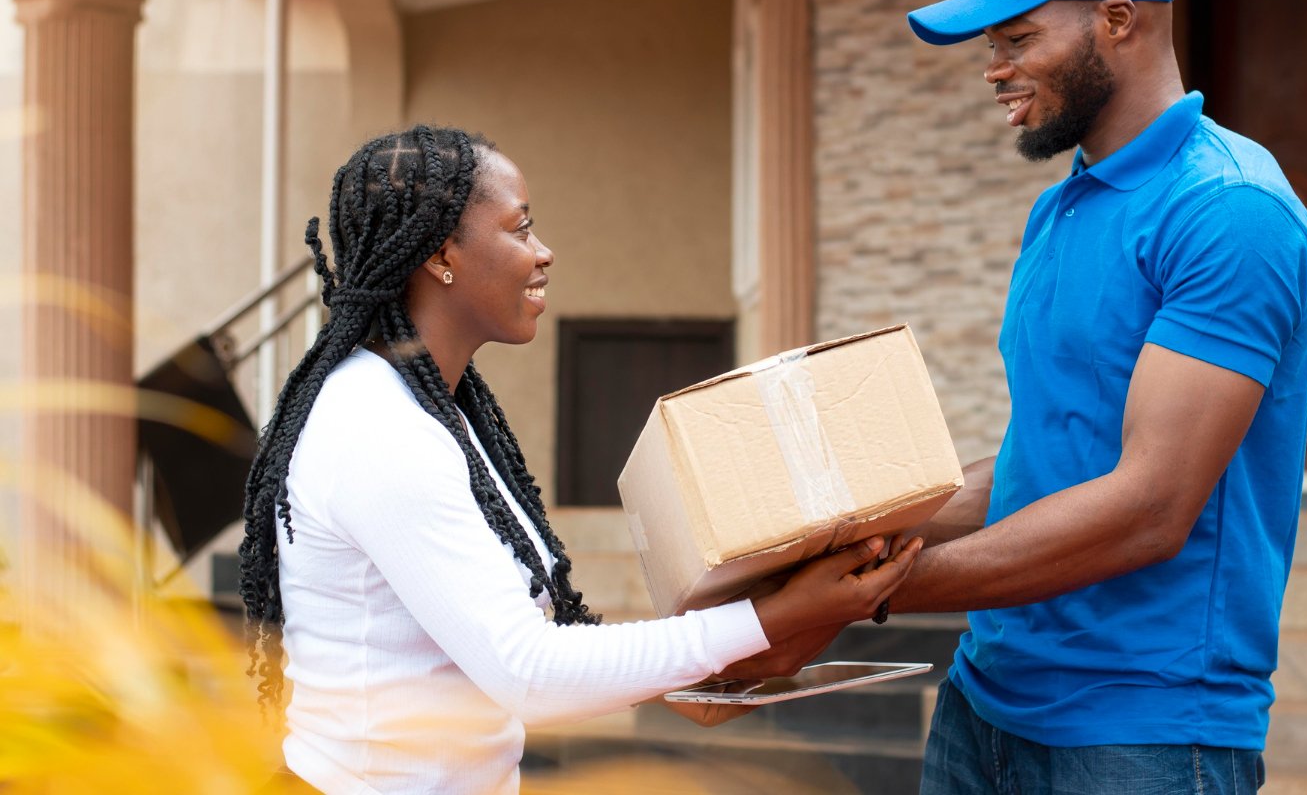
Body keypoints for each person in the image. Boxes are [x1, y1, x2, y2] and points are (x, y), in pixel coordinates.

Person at [237, 125, 921, 795]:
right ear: (443, 253)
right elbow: (527, 672)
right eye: (520, 227)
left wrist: (674, 675)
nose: (544, 253)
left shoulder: (433, 407)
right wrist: (769, 619)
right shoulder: (377, 428)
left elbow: (507, 646)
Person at [890, 0, 1307, 792]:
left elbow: (1151, 505)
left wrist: (875, 594)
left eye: (1016, 39)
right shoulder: (1062, 209)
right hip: (986, 703)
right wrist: (845, 533)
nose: (994, 70)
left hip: (1143, 730)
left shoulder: (1228, 210)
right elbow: (1041, 460)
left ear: (1118, 21)